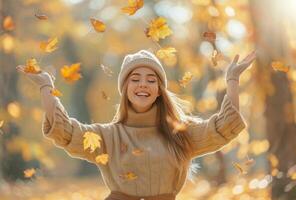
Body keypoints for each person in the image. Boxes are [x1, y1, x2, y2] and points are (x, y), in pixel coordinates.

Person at [16, 49, 256, 200]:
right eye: (135, 79)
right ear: (125, 89)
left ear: (159, 91)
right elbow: (65, 130)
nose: (143, 85)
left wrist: (232, 80)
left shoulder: (180, 132)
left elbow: (223, 127)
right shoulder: (108, 136)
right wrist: (46, 87)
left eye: (151, 80)